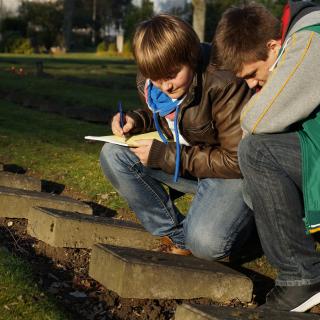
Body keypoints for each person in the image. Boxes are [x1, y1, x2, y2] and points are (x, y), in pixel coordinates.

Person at [100, 14, 253, 260]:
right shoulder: (154, 80)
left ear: (191, 57)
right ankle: (177, 234)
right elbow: (169, 118)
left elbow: (237, 161)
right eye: (156, 79)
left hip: (229, 173)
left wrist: (164, 155)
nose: (165, 87)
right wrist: (135, 121)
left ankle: (246, 228)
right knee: (113, 154)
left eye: (171, 75)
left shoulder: (223, 80)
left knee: (206, 244)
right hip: (190, 159)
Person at [214, 1, 320, 312]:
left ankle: (302, 277)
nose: (250, 84)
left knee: (258, 152)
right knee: (255, 179)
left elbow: (257, 120)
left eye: (251, 73)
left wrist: (254, 112)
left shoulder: (310, 39)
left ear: (274, 48)